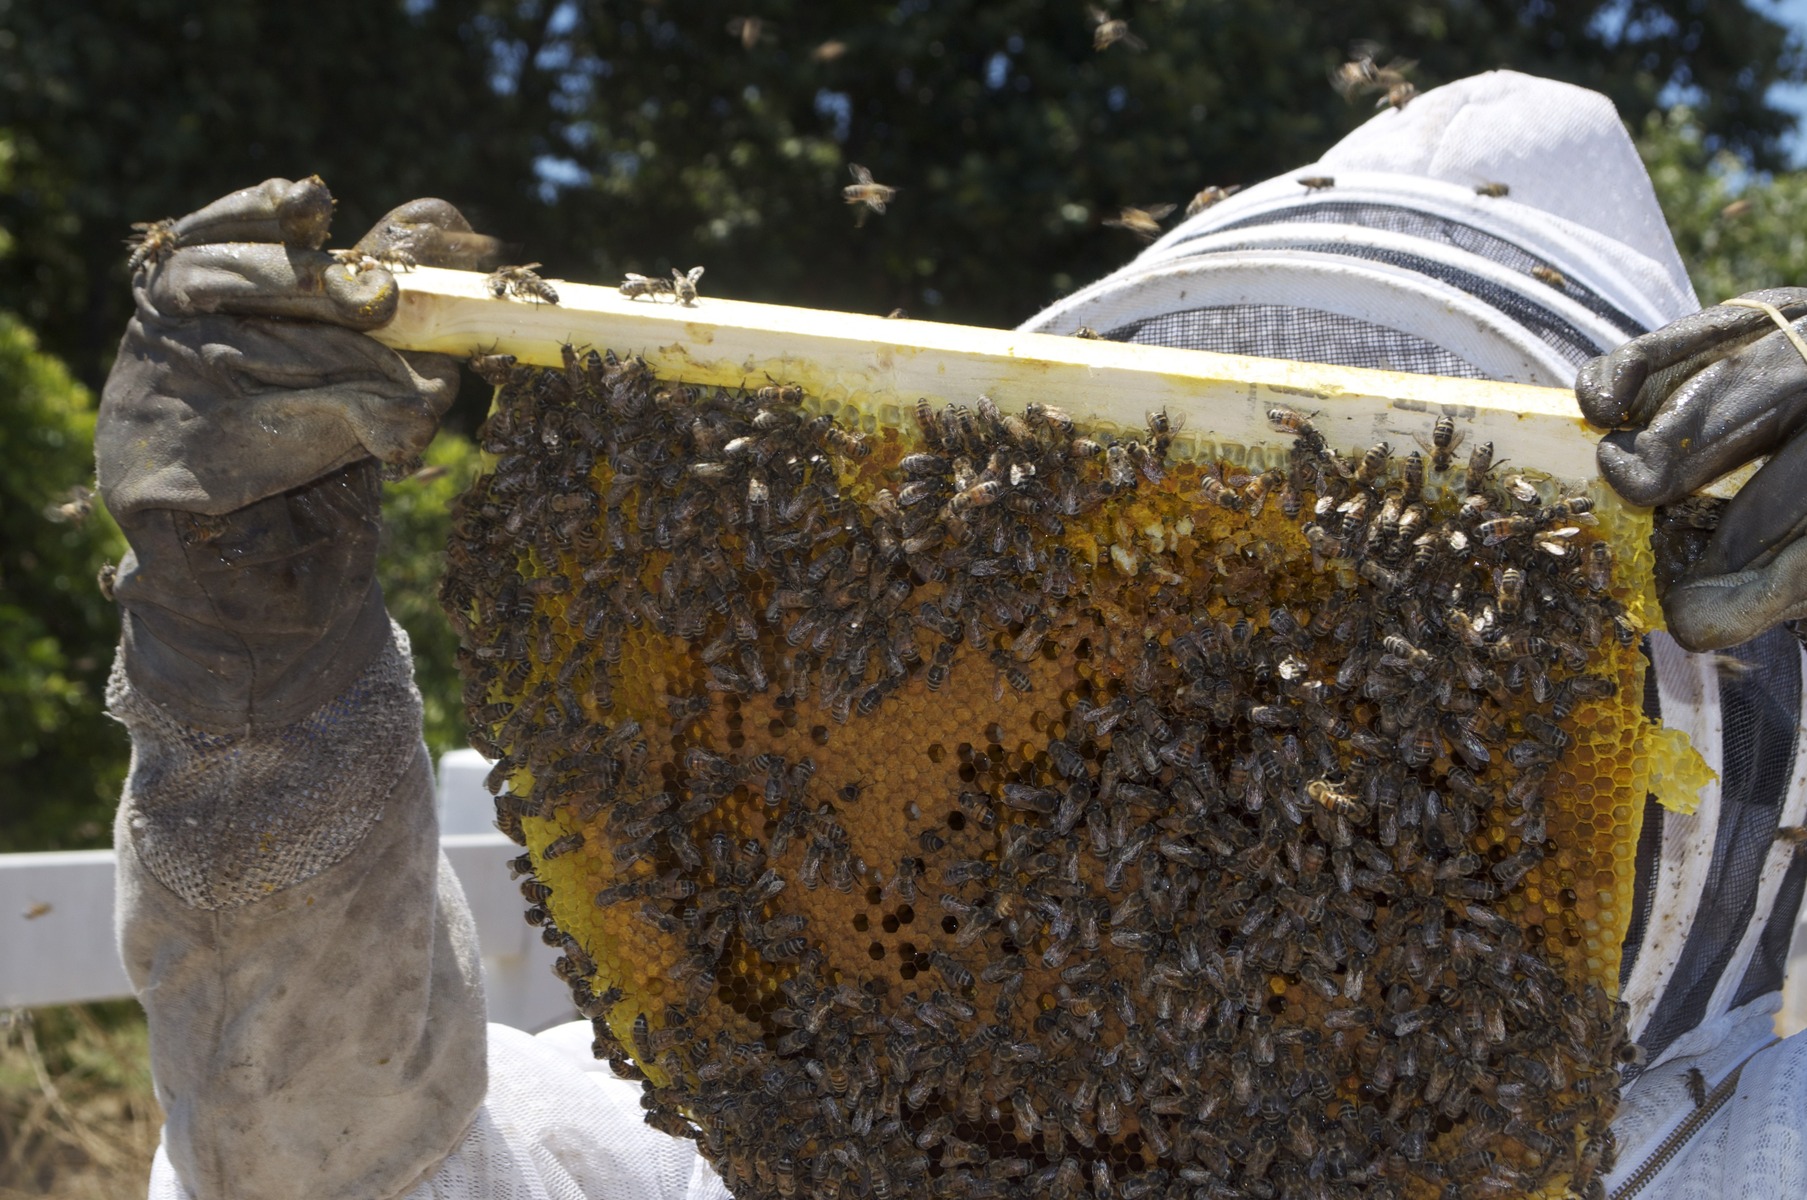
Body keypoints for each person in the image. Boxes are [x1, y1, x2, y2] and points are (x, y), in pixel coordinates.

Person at [99, 73, 1806, 1200]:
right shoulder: (814, 1101)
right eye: (1158, 627)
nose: (1207, 788)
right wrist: (255, 713)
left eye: (1387, 658)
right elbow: (339, 1171)